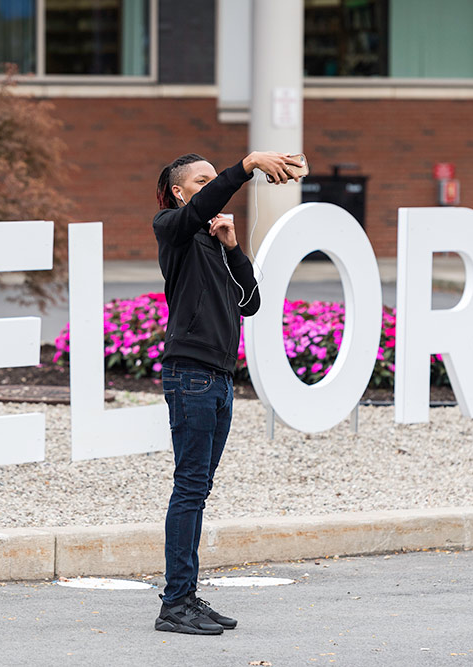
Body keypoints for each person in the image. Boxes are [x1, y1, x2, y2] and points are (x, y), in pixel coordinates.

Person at [151, 151, 304, 635]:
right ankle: (175, 604)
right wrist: (247, 165)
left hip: (217, 380)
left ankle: (186, 597)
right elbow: (202, 208)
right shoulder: (172, 228)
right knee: (190, 488)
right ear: (180, 191)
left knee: (198, 490)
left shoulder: (213, 242)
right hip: (190, 374)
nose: (212, 185)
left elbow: (252, 302)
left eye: (215, 178)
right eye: (202, 180)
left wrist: (234, 246)